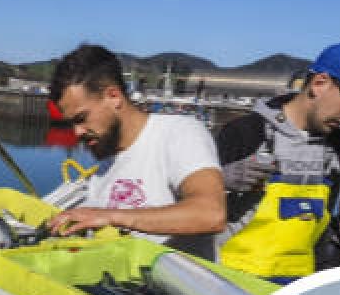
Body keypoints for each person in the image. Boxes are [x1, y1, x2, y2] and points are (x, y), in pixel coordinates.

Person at [215, 41, 340, 281]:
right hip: (229, 280)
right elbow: (195, 209)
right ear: (319, 83)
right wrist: (218, 180)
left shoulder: (336, 145)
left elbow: (322, 224)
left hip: (293, 285)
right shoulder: (246, 132)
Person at [45, 44, 226, 257]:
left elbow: (210, 213)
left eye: (81, 119)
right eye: (71, 124)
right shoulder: (105, 166)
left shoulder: (179, 132)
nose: (76, 133)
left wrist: (112, 216)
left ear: (113, 96)